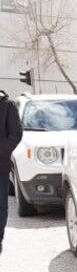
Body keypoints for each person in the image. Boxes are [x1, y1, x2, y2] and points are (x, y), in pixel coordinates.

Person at [0, 90, 23, 255]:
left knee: (0, 206)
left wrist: (1, 151)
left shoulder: (7, 105)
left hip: (0, 165)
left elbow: (16, 134)